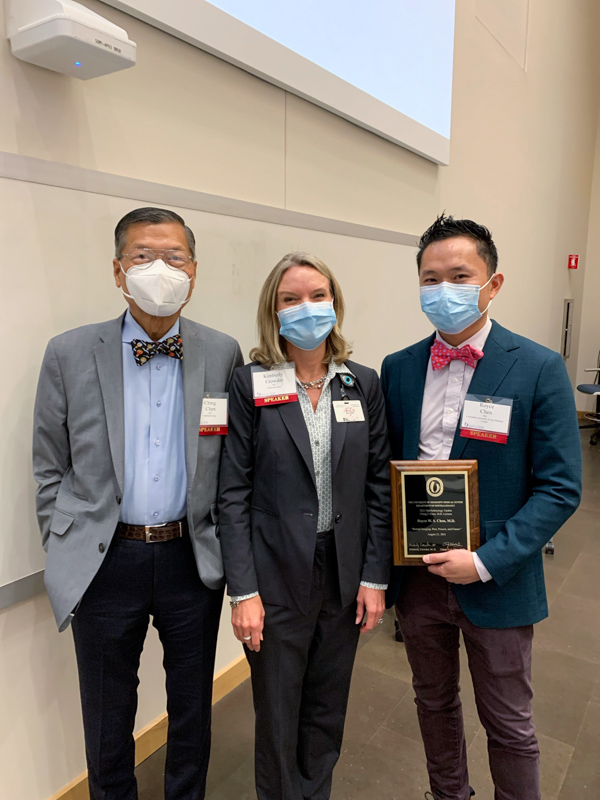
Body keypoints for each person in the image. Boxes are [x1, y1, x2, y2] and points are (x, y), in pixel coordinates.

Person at [32, 207, 243, 800]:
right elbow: (49, 465)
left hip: (189, 558)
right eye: (143, 256)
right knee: (106, 713)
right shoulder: (70, 352)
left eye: (173, 257)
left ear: (194, 271)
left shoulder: (222, 353)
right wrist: (63, 538)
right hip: (103, 560)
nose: (159, 269)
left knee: (193, 707)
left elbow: (233, 462)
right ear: (119, 271)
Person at [381, 215, 582, 800]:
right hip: (418, 581)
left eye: (459, 276)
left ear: (493, 284)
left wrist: (487, 560)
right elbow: (386, 472)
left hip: (498, 578)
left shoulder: (539, 367)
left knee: (509, 723)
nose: (444, 291)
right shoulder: (398, 368)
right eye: (430, 279)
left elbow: (560, 487)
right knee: (432, 704)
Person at [218, 252, 392, 800]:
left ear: (335, 304)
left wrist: (374, 577)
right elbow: (233, 494)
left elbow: (378, 488)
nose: (306, 308)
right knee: (277, 711)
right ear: (273, 311)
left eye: (317, 295)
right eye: (290, 298)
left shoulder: (361, 384)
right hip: (274, 576)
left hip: (342, 574)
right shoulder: (250, 384)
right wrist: (242, 591)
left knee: (326, 705)